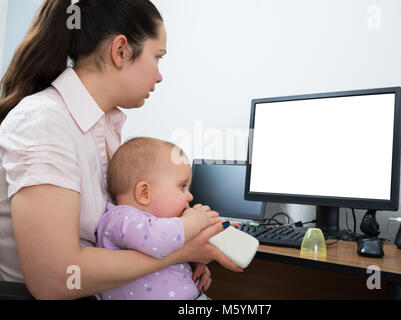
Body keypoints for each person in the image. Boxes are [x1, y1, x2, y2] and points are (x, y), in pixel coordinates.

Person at [0, 0, 242, 300]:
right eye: (158, 57)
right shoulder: (44, 121)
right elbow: (55, 278)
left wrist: (183, 254)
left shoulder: (106, 130)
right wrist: (177, 252)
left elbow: (118, 231)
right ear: (121, 50)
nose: (159, 75)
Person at [97, 137, 221, 300]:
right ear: (144, 193)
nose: (190, 196)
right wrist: (195, 221)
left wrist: (192, 259)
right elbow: (157, 240)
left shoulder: (159, 225)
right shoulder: (120, 217)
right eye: (182, 186)